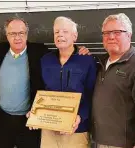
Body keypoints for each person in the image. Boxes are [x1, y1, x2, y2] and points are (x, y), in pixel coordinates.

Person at [0, 16, 90, 148]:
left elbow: (65, 50)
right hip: (2, 119)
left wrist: (79, 50)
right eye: (12, 33)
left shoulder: (40, 52)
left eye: (21, 33)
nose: (17, 37)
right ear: (6, 35)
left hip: (30, 120)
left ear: (27, 34)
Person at [91, 13, 135, 148]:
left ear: (129, 35)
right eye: (106, 33)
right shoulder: (98, 63)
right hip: (96, 140)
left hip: (124, 144)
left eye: (117, 32)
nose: (110, 37)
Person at [33, 16, 97, 148]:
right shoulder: (45, 60)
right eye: (56, 32)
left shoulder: (87, 61)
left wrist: (80, 117)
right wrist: (34, 111)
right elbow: (40, 90)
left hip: (77, 130)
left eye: (65, 31)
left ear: (75, 36)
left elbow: (92, 94)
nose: (60, 35)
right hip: (49, 129)